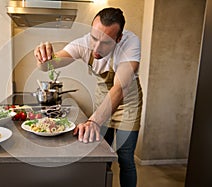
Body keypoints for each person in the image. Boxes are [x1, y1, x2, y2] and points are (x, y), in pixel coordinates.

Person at [34, 7, 142, 187]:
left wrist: (93, 122)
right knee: (100, 152)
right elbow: (49, 66)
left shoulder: (130, 44)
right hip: (103, 102)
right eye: (94, 38)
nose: (96, 48)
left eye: (106, 42)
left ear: (118, 38)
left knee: (125, 157)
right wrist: (42, 58)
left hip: (128, 105)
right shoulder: (83, 44)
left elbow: (120, 87)